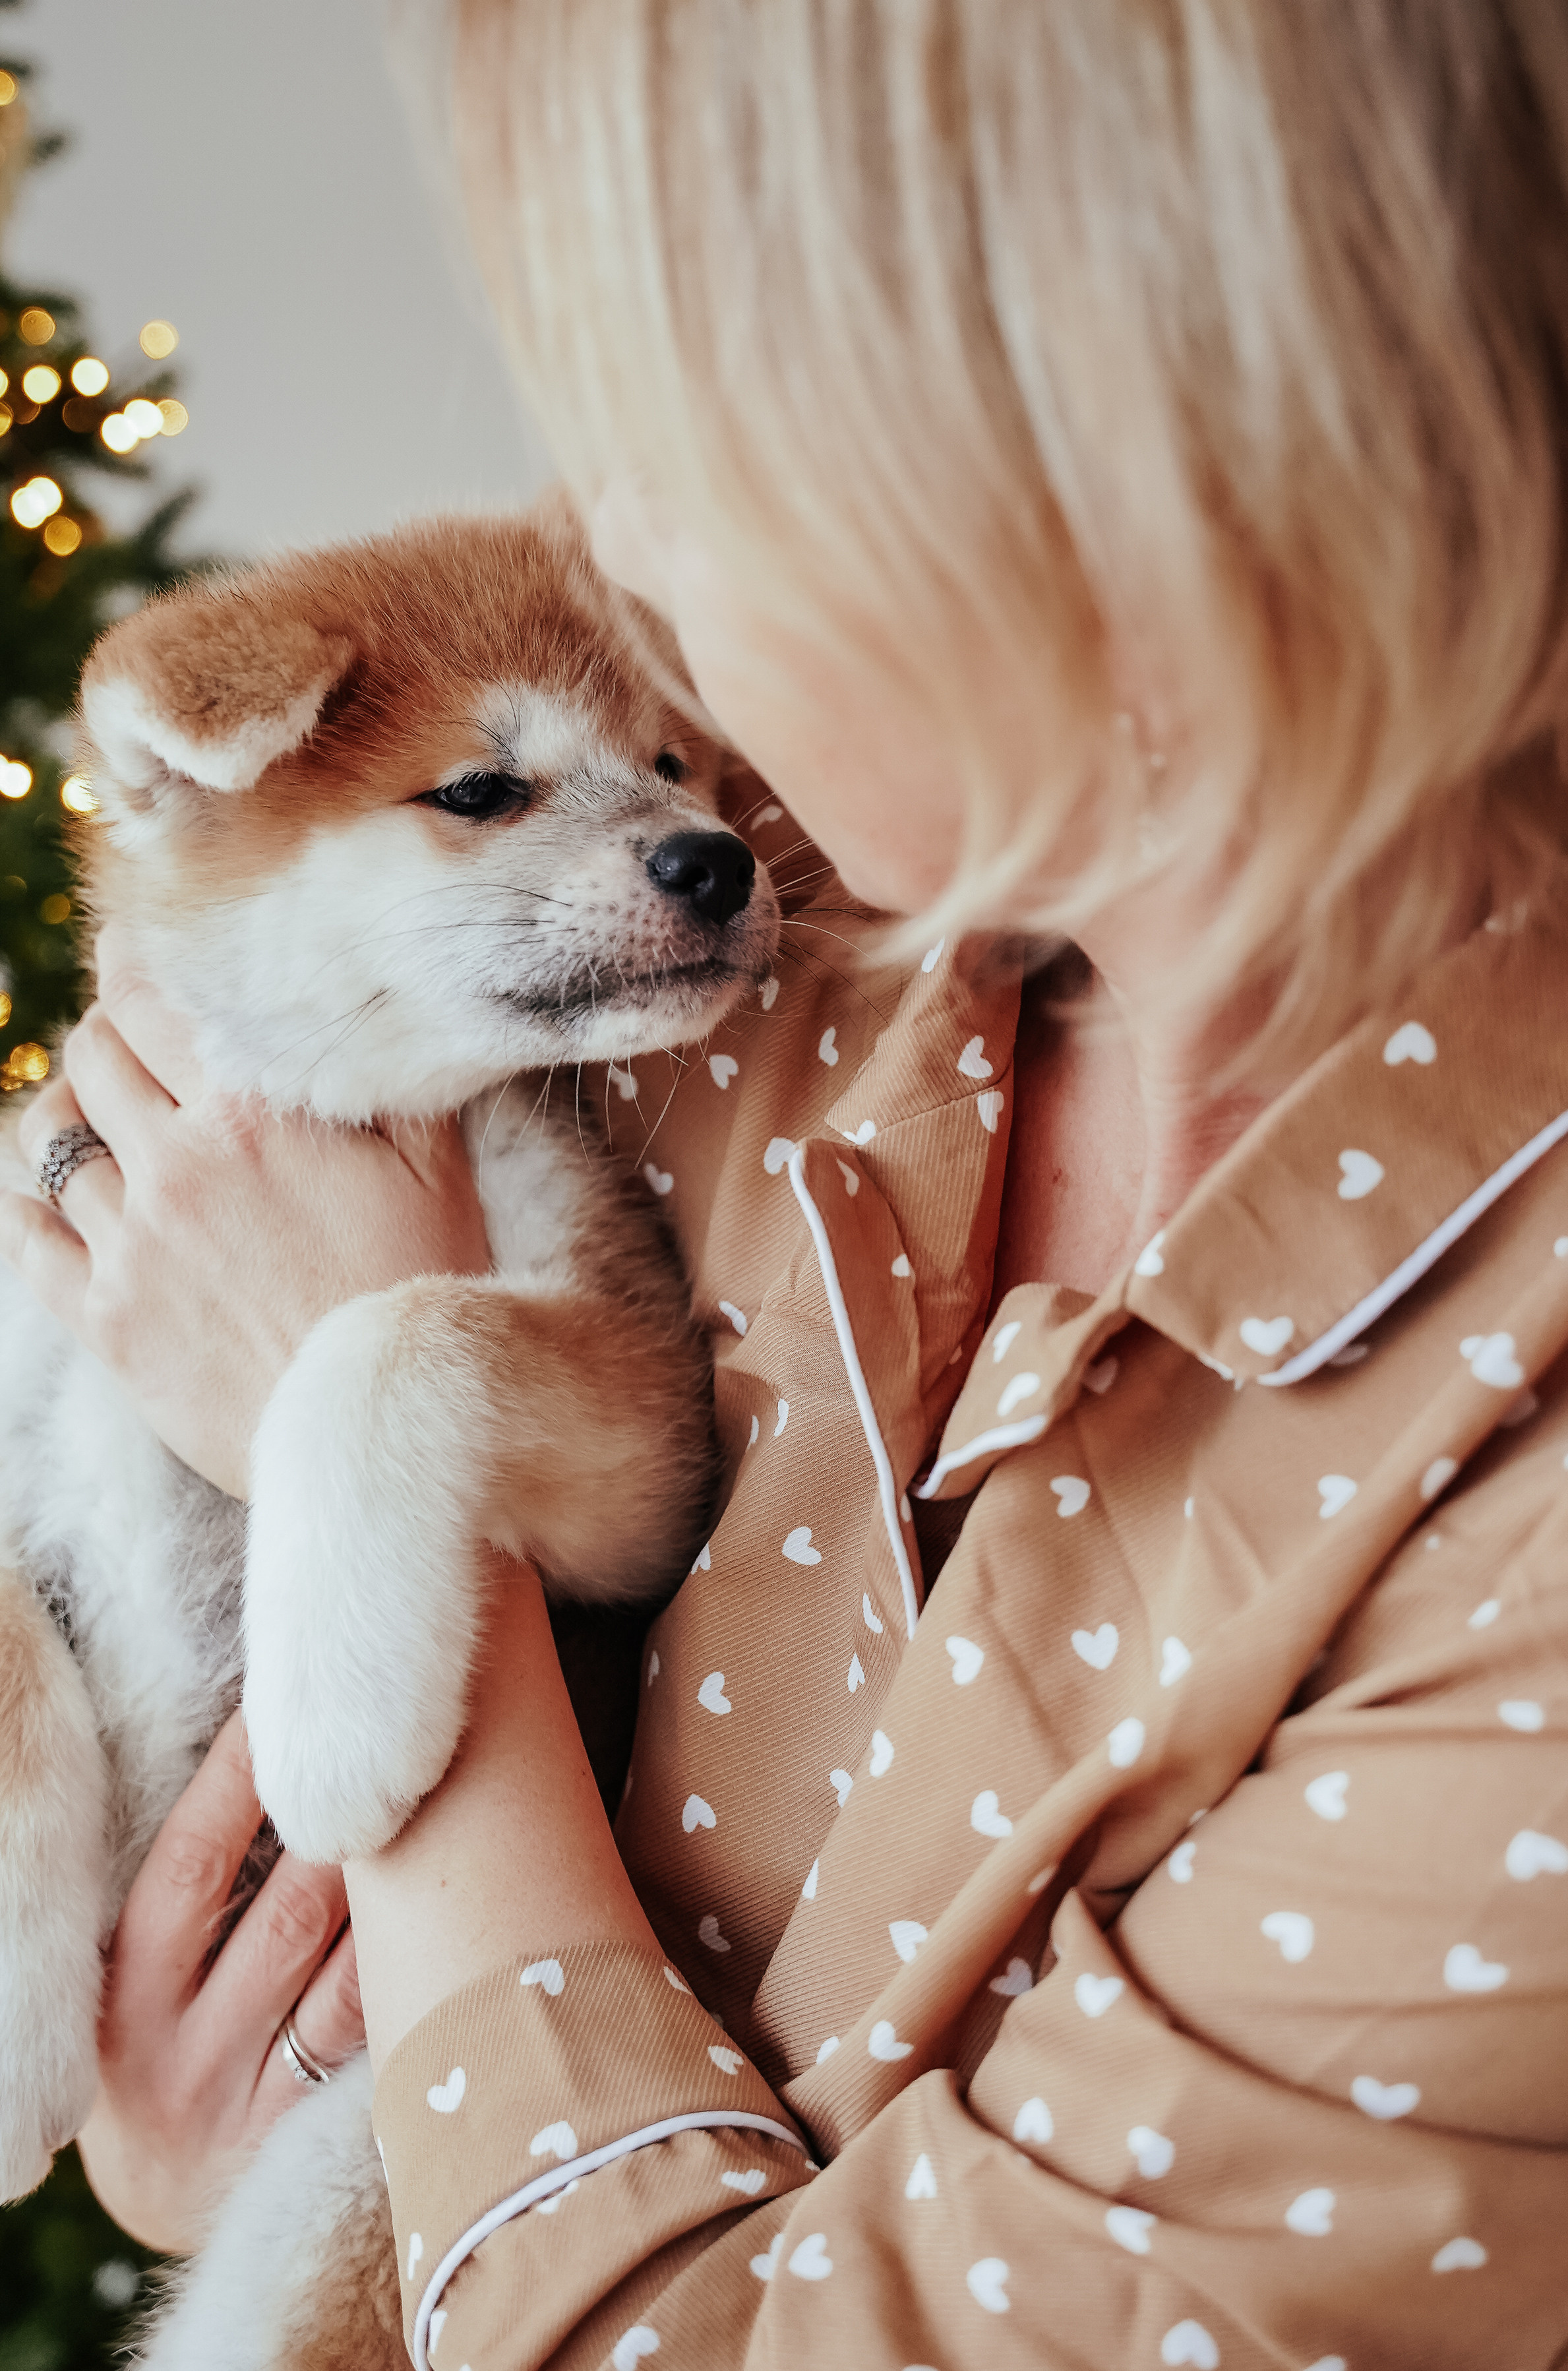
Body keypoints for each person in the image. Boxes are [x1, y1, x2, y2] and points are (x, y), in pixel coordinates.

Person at [5, 3, 1568, 2362]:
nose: (594, 535)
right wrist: (200, 2056)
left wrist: (420, 1676)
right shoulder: (787, 969)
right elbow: (195, 2048)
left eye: (671, 430)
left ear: (1091, 437)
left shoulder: (1514, 1500)